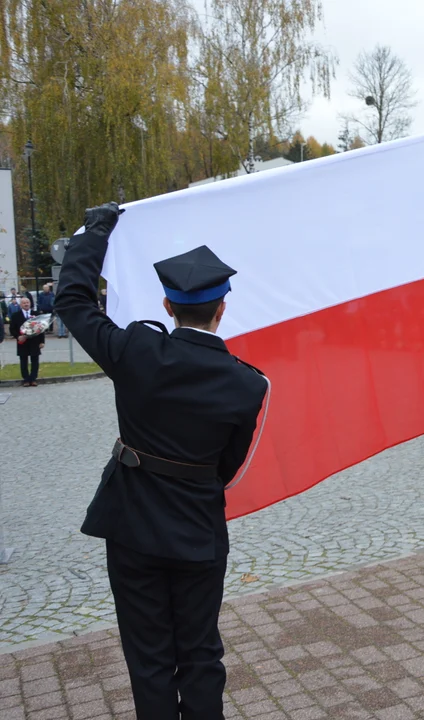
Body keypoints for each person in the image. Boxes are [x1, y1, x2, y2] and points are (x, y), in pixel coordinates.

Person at [55, 202, 269, 717]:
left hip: (131, 525)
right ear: (222, 308)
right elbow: (229, 466)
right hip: (196, 528)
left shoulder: (135, 351)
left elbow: (73, 300)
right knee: (199, 652)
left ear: (167, 307)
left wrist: (96, 230)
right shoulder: (248, 383)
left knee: (148, 657)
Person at [10, 297, 43, 386]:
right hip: (22, 342)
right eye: (24, 303)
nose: (26, 304)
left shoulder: (36, 314)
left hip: (34, 341)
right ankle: (26, 379)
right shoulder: (15, 315)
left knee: (35, 361)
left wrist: (42, 341)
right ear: (21, 305)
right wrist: (18, 336)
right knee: (23, 361)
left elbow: (41, 328)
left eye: (27, 302)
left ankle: (33, 379)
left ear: (30, 303)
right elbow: (12, 329)